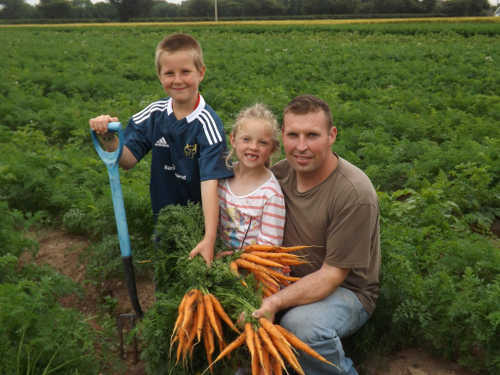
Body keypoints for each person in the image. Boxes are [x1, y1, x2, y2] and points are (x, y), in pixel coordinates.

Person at [253, 95, 381, 375]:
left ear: (331, 135)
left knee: (302, 326)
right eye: (293, 135)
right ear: (282, 136)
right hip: (290, 279)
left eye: (312, 135)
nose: (301, 147)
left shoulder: (354, 193)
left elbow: (331, 277)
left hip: (347, 291)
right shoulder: (279, 175)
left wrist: (273, 302)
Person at [89, 33, 233, 266]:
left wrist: (209, 237)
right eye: (169, 73)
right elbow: (127, 160)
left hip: (201, 223)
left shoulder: (208, 124)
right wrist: (108, 137)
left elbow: (210, 184)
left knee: (201, 287)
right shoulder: (153, 115)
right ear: (159, 76)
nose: (178, 80)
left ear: (201, 73)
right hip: (164, 221)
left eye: (185, 72)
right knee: (166, 282)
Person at [218, 103, 285, 251]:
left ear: (272, 148)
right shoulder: (223, 176)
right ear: (233, 140)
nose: (253, 147)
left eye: (262, 142)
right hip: (220, 262)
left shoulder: (270, 194)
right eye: (246, 139)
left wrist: (234, 259)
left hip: (253, 269)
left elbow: (268, 247)